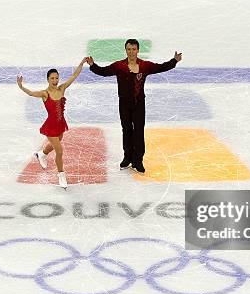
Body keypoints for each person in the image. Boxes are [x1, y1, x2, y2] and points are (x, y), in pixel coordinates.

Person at [86, 39, 182, 174]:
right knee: (126, 130)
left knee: (138, 132)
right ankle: (127, 157)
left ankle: (138, 160)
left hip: (139, 104)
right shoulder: (119, 66)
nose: (131, 52)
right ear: (126, 50)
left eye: (134, 49)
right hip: (124, 105)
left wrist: (174, 61)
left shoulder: (145, 66)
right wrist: (92, 65)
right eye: (129, 49)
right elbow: (104, 71)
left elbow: (161, 67)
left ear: (138, 50)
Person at [16, 57, 88, 189]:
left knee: (58, 140)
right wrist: (21, 87)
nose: (55, 81)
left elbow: (75, 75)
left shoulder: (62, 89)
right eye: (52, 78)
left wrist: (82, 63)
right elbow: (31, 93)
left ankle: (41, 154)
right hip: (50, 126)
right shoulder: (45, 93)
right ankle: (61, 175)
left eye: (56, 78)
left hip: (61, 124)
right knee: (59, 151)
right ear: (48, 79)